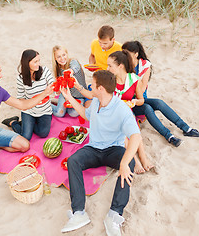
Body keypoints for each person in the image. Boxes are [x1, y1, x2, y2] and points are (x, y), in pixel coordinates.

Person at [60, 70, 141, 236]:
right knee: (73, 161)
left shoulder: (121, 109)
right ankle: (79, 213)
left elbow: (136, 136)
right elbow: (85, 114)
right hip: (94, 148)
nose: (91, 85)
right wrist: (69, 97)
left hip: (113, 150)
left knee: (130, 162)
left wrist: (124, 163)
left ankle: (114, 214)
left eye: (93, 84)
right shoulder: (96, 101)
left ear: (101, 88)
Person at [122, 41, 199, 146]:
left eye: (127, 53)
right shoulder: (123, 66)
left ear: (136, 54)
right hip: (128, 100)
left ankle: (187, 129)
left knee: (159, 103)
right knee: (147, 108)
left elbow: (142, 88)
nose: (124, 55)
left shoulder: (144, 65)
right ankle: (169, 136)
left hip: (139, 97)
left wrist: (134, 87)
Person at [107, 50, 154, 174]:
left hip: (127, 112)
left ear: (120, 66)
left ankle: (143, 157)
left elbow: (141, 100)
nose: (107, 68)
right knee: (123, 135)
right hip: (112, 114)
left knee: (134, 131)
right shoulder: (109, 80)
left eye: (110, 65)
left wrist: (133, 102)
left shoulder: (133, 79)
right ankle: (135, 160)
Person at [2, 49, 55, 141]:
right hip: (29, 111)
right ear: (27, 63)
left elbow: (53, 83)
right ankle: (13, 122)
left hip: (44, 110)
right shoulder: (20, 78)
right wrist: (41, 95)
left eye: (39, 60)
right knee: (26, 137)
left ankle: (27, 123)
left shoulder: (45, 71)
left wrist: (54, 87)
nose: (38, 64)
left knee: (43, 133)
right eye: (35, 62)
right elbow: (21, 99)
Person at [86, 25, 122, 108]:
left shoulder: (120, 48)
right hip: (98, 76)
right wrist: (91, 64)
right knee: (91, 102)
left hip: (112, 79)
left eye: (105, 43)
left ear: (113, 40)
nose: (102, 45)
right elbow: (92, 56)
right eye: (100, 42)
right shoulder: (94, 43)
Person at [51, 45, 87, 117]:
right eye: (59, 57)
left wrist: (70, 71)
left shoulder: (73, 62)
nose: (62, 58)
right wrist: (58, 90)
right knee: (59, 113)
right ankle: (48, 104)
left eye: (64, 55)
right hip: (66, 95)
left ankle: (59, 103)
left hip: (79, 95)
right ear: (55, 58)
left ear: (67, 54)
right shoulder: (58, 69)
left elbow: (75, 68)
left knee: (73, 113)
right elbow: (59, 89)